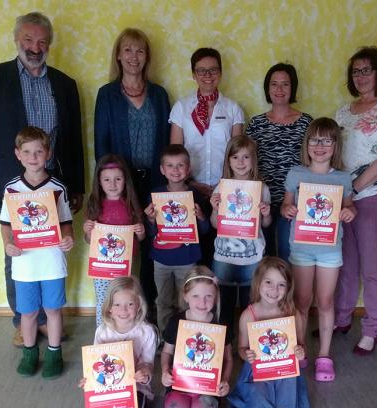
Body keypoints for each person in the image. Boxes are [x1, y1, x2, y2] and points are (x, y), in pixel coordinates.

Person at [0, 11, 85, 346]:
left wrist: (76, 184)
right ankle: (24, 323)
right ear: (17, 40)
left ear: (49, 44)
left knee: (52, 248)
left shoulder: (65, 84)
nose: (35, 47)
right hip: (12, 181)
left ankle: (50, 317)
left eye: (41, 41)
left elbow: (74, 138)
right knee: (17, 250)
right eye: (28, 40)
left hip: (54, 182)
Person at [94, 28, 171, 313]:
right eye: (128, 49)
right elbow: (101, 143)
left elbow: (166, 142)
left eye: (139, 50)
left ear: (147, 57)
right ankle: (119, 312)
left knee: (152, 243)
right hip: (118, 183)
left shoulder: (160, 95)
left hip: (153, 181)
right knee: (121, 245)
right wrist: (107, 186)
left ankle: (148, 309)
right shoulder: (107, 95)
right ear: (118, 55)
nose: (133, 56)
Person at [334, 46, 377, 356]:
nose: (360, 76)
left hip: (371, 197)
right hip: (342, 198)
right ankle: (342, 318)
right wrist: (338, 192)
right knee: (345, 263)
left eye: (366, 70)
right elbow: (334, 155)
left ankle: (373, 329)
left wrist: (354, 190)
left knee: (371, 266)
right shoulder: (343, 112)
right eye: (356, 71)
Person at [281, 118, 356, 382]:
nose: (320, 146)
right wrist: (287, 210)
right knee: (301, 302)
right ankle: (300, 350)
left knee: (325, 302)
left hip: (329, 250)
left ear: (335, 146)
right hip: (301, 247)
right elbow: (285, 205)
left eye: (327, 140)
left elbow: (350, 207)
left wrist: (348, 211)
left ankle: (324, 355)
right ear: (307, 144)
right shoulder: (295, 174)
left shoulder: (343, 177)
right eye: (315, 139)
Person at [0, 126, 75, 379]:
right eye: (27, 152)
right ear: (18, 154)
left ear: (48, 154)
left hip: (52, 260)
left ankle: (54, 353)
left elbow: (65, 222)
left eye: (39, 151)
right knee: (28, 312)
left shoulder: (57, 187)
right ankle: (30, 353)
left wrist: (68, 238)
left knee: (53, 310)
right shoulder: (11, 189)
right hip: (24, 263)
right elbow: (5, 224)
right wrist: (7, 244)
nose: (33, 157)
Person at [169, 47, 244, 266]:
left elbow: (237, 151)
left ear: (220, 73)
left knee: (221, 253)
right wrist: (192, 183)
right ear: (193, 74)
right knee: (193, 253)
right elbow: (175, 151)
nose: (207, 75)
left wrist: (223, 185)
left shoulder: (233, 109)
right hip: (190, 189)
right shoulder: (181, 108)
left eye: (213, 70)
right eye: (201, 70)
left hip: (225, 192)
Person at [228, 257, 311, 408]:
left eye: (281, 284)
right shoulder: (248, 315)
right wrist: (246, 355)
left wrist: (300, 351)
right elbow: (242, 348)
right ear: (258, 283)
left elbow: (301, 345)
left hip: (286, 374)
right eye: (268, 282)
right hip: (257, 372)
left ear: (288, 288)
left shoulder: (293, 313)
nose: (274, 290)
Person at [245, 63, 313, 262]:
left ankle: (287, 295)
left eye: (285, 84)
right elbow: (245, 161)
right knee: (262, 258)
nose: (279, 89)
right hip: (261, 201)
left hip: (294, 203)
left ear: (293, 88)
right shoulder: (256, 124)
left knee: (287, 257)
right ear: (267, 88)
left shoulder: (306, 122)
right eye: (274, 84)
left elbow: (314, 162)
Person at [161, 265, 233, 408]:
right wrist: (164, 371)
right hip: (179, 386)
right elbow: (166, 352)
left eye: (208, 296)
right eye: (196, 296)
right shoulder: (175, 321)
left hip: (208, 388)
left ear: (215, 297)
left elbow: (229, 359)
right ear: (185, 296)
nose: (203, 302)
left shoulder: (220, 323)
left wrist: (225, 380)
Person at [77, 277, 158, 408]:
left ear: (139, 305)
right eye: (117, 304)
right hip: (107, 388)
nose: (123, 310)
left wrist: (145, 374)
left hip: (136, 388)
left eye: (130, 304)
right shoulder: (102, 331)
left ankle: (142, 405)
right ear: (109, 308)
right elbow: (95, 363)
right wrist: (89, 380)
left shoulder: (147, 331)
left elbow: (147, 363)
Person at [144, 145, 210, 333]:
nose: (175, 170)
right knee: (163, 301)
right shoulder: (155, 195)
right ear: (162, 170)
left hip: (187, 259)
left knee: (186, 301)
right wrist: (149, 218)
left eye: (180, 165)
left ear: (188, 169)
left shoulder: (195, 195)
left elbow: (204, 231)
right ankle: (166, 338)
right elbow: (151, 232)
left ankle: (185, 338)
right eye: (170, 166)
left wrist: (201, 217)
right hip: (161, 259)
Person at [209, 136, 271, 330]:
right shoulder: (221, 188)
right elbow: (215, 225)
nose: (241, 162)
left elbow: (266, 225)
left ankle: (249, 349)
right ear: (228, 160)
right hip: (224, 257)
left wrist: (266, 213)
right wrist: (214, 209)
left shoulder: (262, 189)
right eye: (235, 157)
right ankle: (225, 349)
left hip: (252, 258)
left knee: (250, 307)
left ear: (254, 160)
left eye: (246, 157)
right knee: (223, 307)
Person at [82, 155, 146, 326]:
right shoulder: (95, 204)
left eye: (118, 179)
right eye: (107, 180)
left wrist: (140, 232)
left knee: (127, 300)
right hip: (102, 267)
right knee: (104, 301)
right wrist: (88, 231)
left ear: (125, 180)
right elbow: (90, 240)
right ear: (99, 182)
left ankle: (127, 335)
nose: (112, 184)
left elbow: (140, 238)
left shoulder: (130, 203)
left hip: (127, 265)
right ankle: (102, 335)